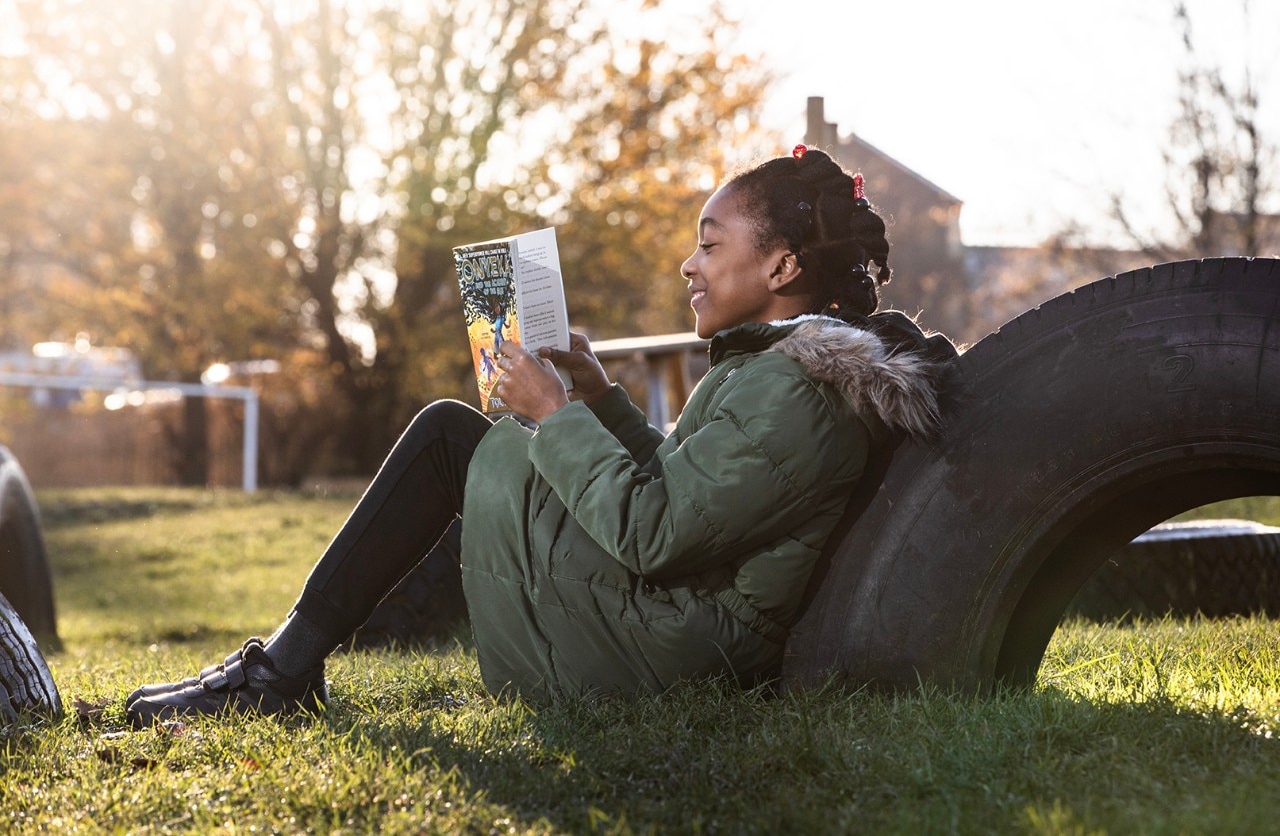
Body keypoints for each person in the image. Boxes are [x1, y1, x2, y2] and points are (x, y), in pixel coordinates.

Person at [124, 145, 955, 727]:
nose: (688, 265)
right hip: (683, 616)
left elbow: (655, 534)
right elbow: (691, 498)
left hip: (673, 647)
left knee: (451, 436)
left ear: (780, 269)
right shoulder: (780, 369)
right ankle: (281, 666)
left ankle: (278, 672)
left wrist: (557, 416)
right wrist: (599, 400)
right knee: (455, 434)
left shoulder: (793, 389)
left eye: (709, 243)